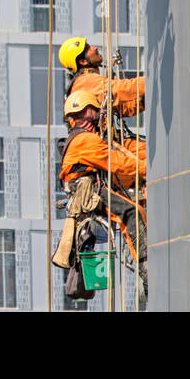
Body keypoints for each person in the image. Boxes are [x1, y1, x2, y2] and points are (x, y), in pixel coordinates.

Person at [58, 90, 147, 288]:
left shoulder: (82, 138)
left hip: (89, 190)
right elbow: (117, 162)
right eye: (94, 110)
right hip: (89, 192)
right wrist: (148, 169)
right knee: (131, 213)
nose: (98, 114)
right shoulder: (84, 140)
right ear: (84, 112)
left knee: (135, 206)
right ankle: (146, 268)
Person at [60, 36, 146, 169]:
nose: (94, 48)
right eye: (88, 48)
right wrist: (151, 81)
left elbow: (123, 108)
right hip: (103, 147)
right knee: (146, 160)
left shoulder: (87, 82)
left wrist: (143, 101)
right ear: (83, 61)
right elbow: (121, 89)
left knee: (147, 154)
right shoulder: (86, 82)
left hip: (109, 143)